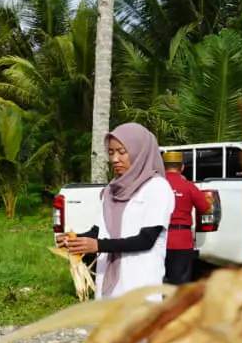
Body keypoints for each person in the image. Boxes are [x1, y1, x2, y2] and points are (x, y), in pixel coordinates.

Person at [59, 123, 174, 299]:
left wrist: (98, 245)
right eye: (111, 152)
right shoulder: (111, 190)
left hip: (140, 285)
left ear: (139, 152)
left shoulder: (156, 187)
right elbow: (99, 231)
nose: (115, 159)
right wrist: (75, 240)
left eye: (122, 152)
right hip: (107, 284)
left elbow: (146, 239)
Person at [162, 151, 210, 285]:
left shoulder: (155, 185)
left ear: (163, 166)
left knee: (157, 283)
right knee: (180, 285)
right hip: (182, 241)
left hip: (158, 239)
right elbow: (205, 207)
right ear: (182, 167)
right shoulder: (188, 186)